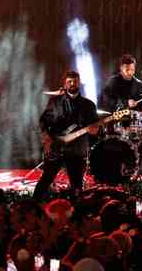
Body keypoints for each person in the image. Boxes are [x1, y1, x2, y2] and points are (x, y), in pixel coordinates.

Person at [33, 71, 100, 200]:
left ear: (79, 82)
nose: (72, 84)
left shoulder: (88, 105)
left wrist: (95, 131)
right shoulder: (55, 102)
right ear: (64, 83)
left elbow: (97, 128)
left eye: (75, 81)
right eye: (69, 81)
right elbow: (43, 122)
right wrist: (46, 139)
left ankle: (76, 214)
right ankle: (33, 207)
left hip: (76, 151)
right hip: (56, 148)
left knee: (76, 186)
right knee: (45, 181)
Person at [99, 54, 142, 177]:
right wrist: (124, 103)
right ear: (121, 68)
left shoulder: (139, 84)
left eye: (132, 69)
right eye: (127, 69)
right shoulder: (113, 82)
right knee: (118, 146)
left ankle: (139, 170)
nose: (130, 72)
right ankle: (116, 168)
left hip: (135, 123)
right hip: (116, 121)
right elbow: (106, 101)